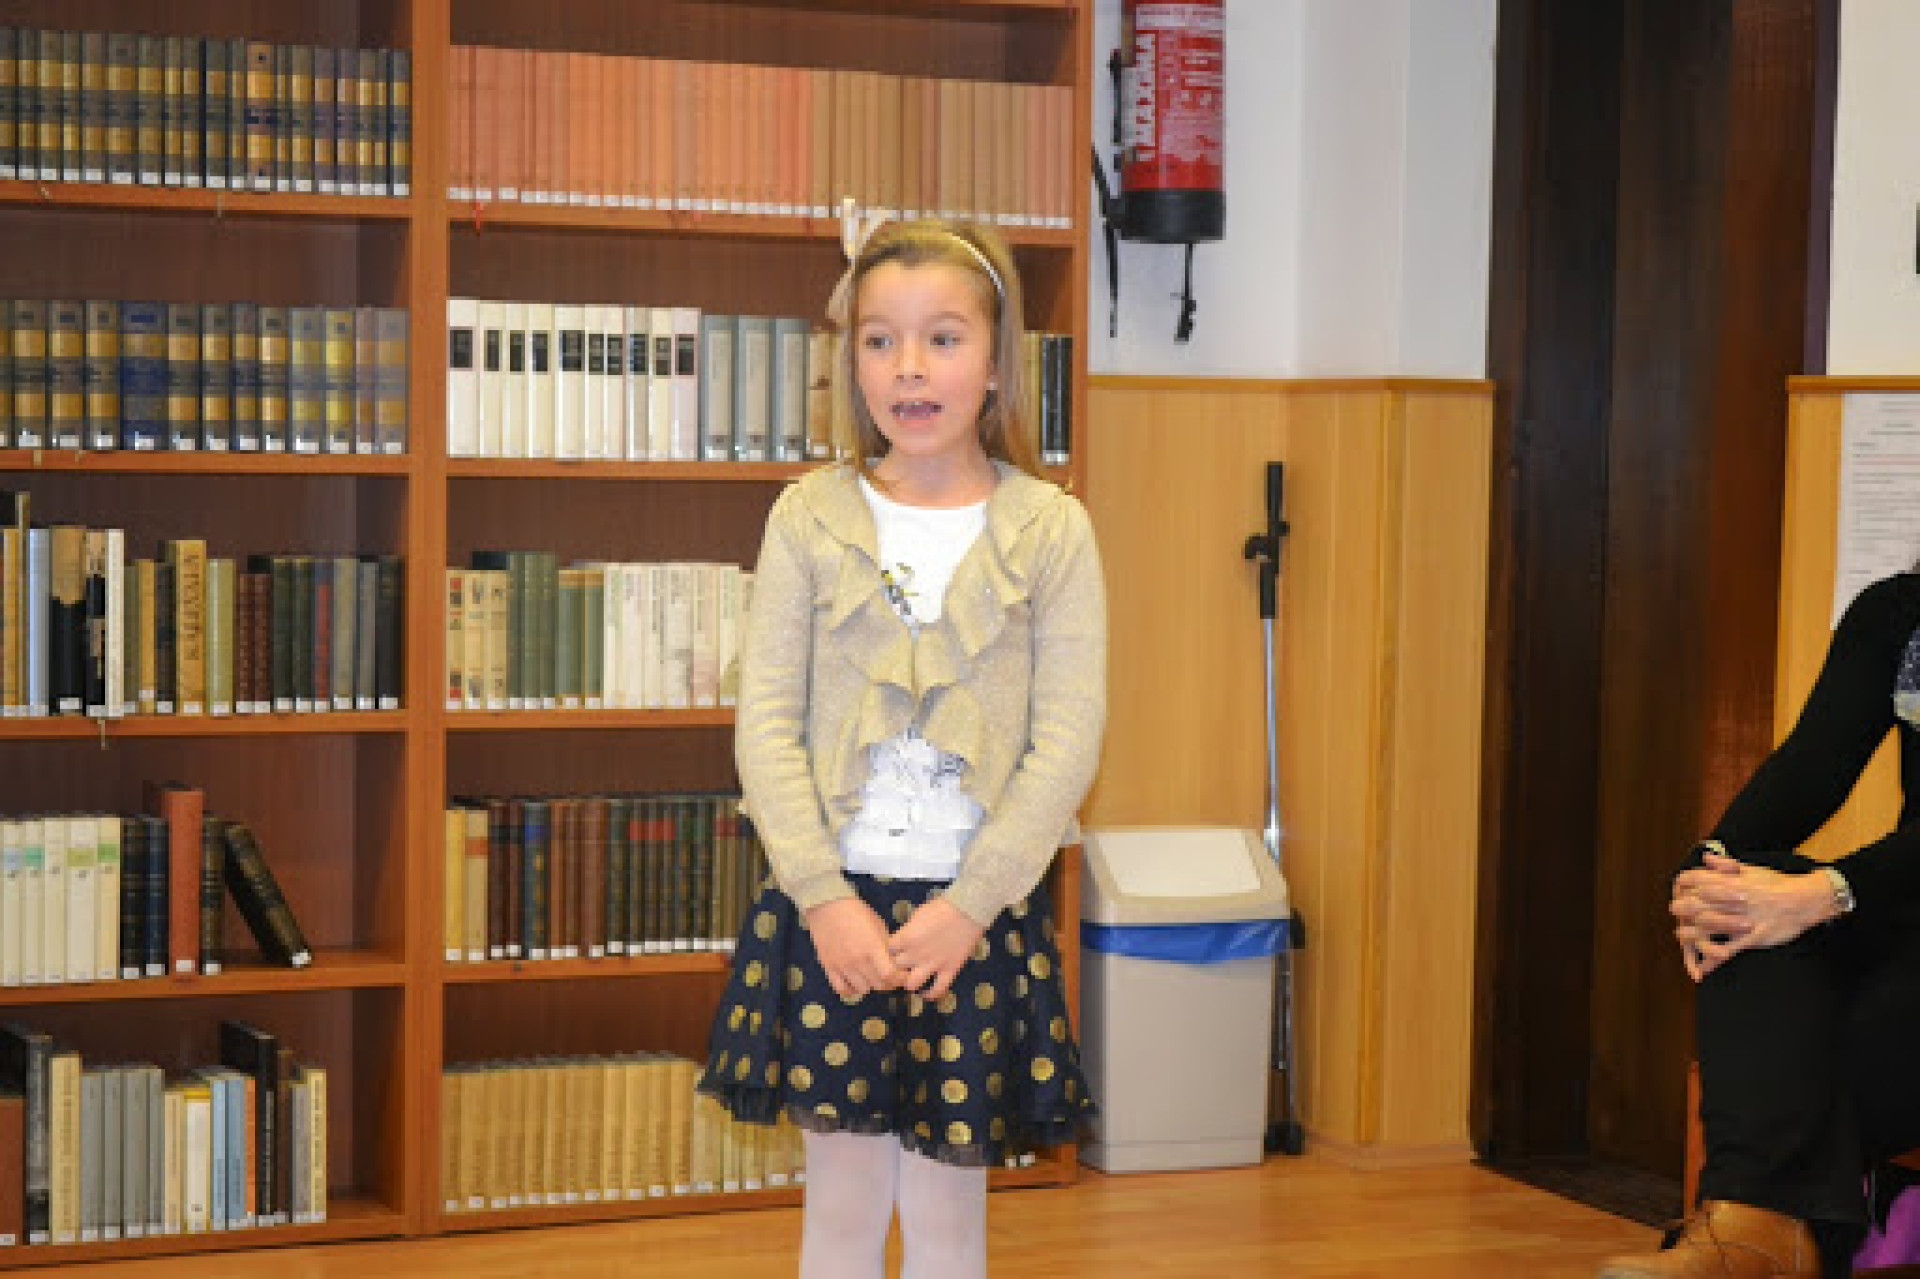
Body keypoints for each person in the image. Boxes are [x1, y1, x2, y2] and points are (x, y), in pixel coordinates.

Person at [697, 215, 1106, 1279]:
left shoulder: (1051, 529)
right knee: (840, 1208)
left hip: (972, 918)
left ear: (997, 361)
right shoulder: (807, 517)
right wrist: (823, 897)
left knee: (945, 1215)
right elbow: (766, 723)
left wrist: (970, 905)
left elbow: (1067, 741)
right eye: (880, 340)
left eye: (942, 338)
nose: (909, 367)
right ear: (852, 363)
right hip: (833, 910)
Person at [1598, 572, 1920, 1278]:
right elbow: (1811, 765)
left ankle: (1769, 1234)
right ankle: (1759, 1233)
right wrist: (1711, 873)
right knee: (1749, 909)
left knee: (1838, 1041)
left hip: (1889, 910)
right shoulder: (1898, 611)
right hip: (1903, 902)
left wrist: (1828, 891)